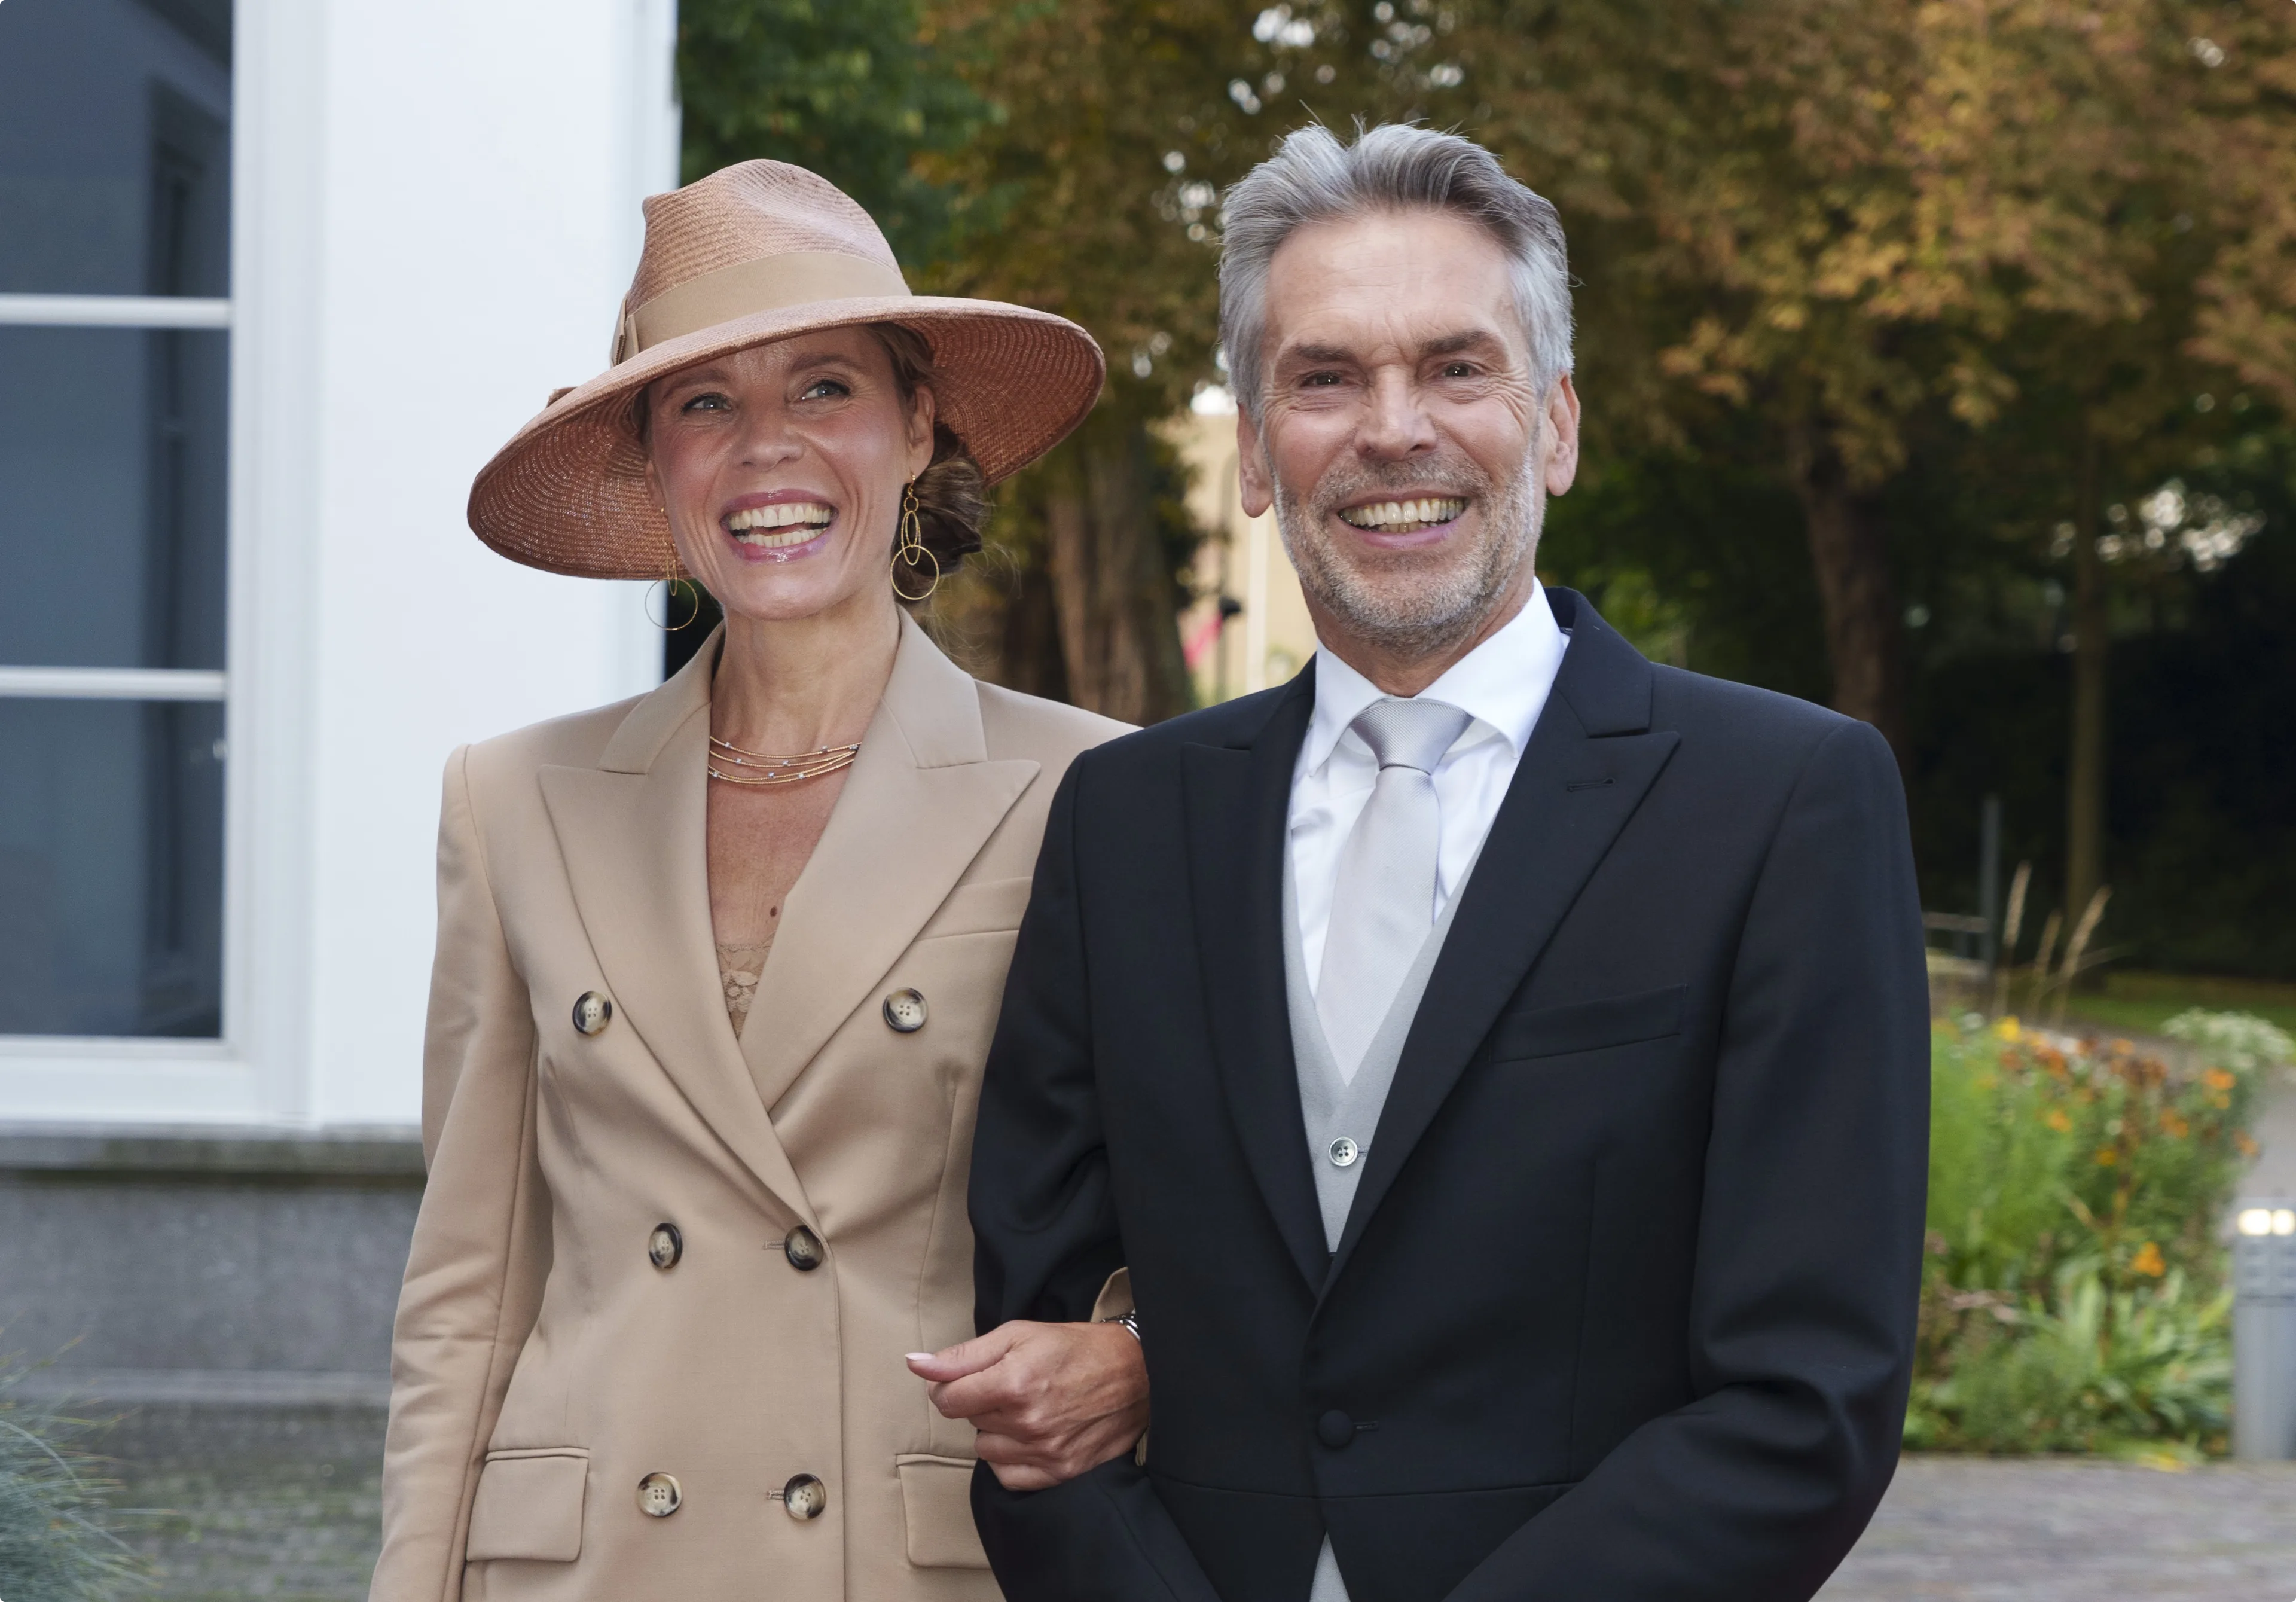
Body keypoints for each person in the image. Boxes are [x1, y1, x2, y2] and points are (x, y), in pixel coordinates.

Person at [966, 123, 1931, 1602]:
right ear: (1250, 450)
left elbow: (1807, 1403)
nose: (1392, 428)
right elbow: (1039, 1366)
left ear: (1554, 424)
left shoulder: (1784, 802)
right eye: (1326, 377)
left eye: (1455, 368)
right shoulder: (1125, 821)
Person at [370, 160, 1149, 1602]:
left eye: (826, 390)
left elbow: (1202, 1212)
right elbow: (468, 1290)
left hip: (907, 1560)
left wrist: (1134, 1353)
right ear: (654, 462)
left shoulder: (1092, 792)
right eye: (706, 403)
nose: (765, 452)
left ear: (919, 427)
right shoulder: (510, 800)